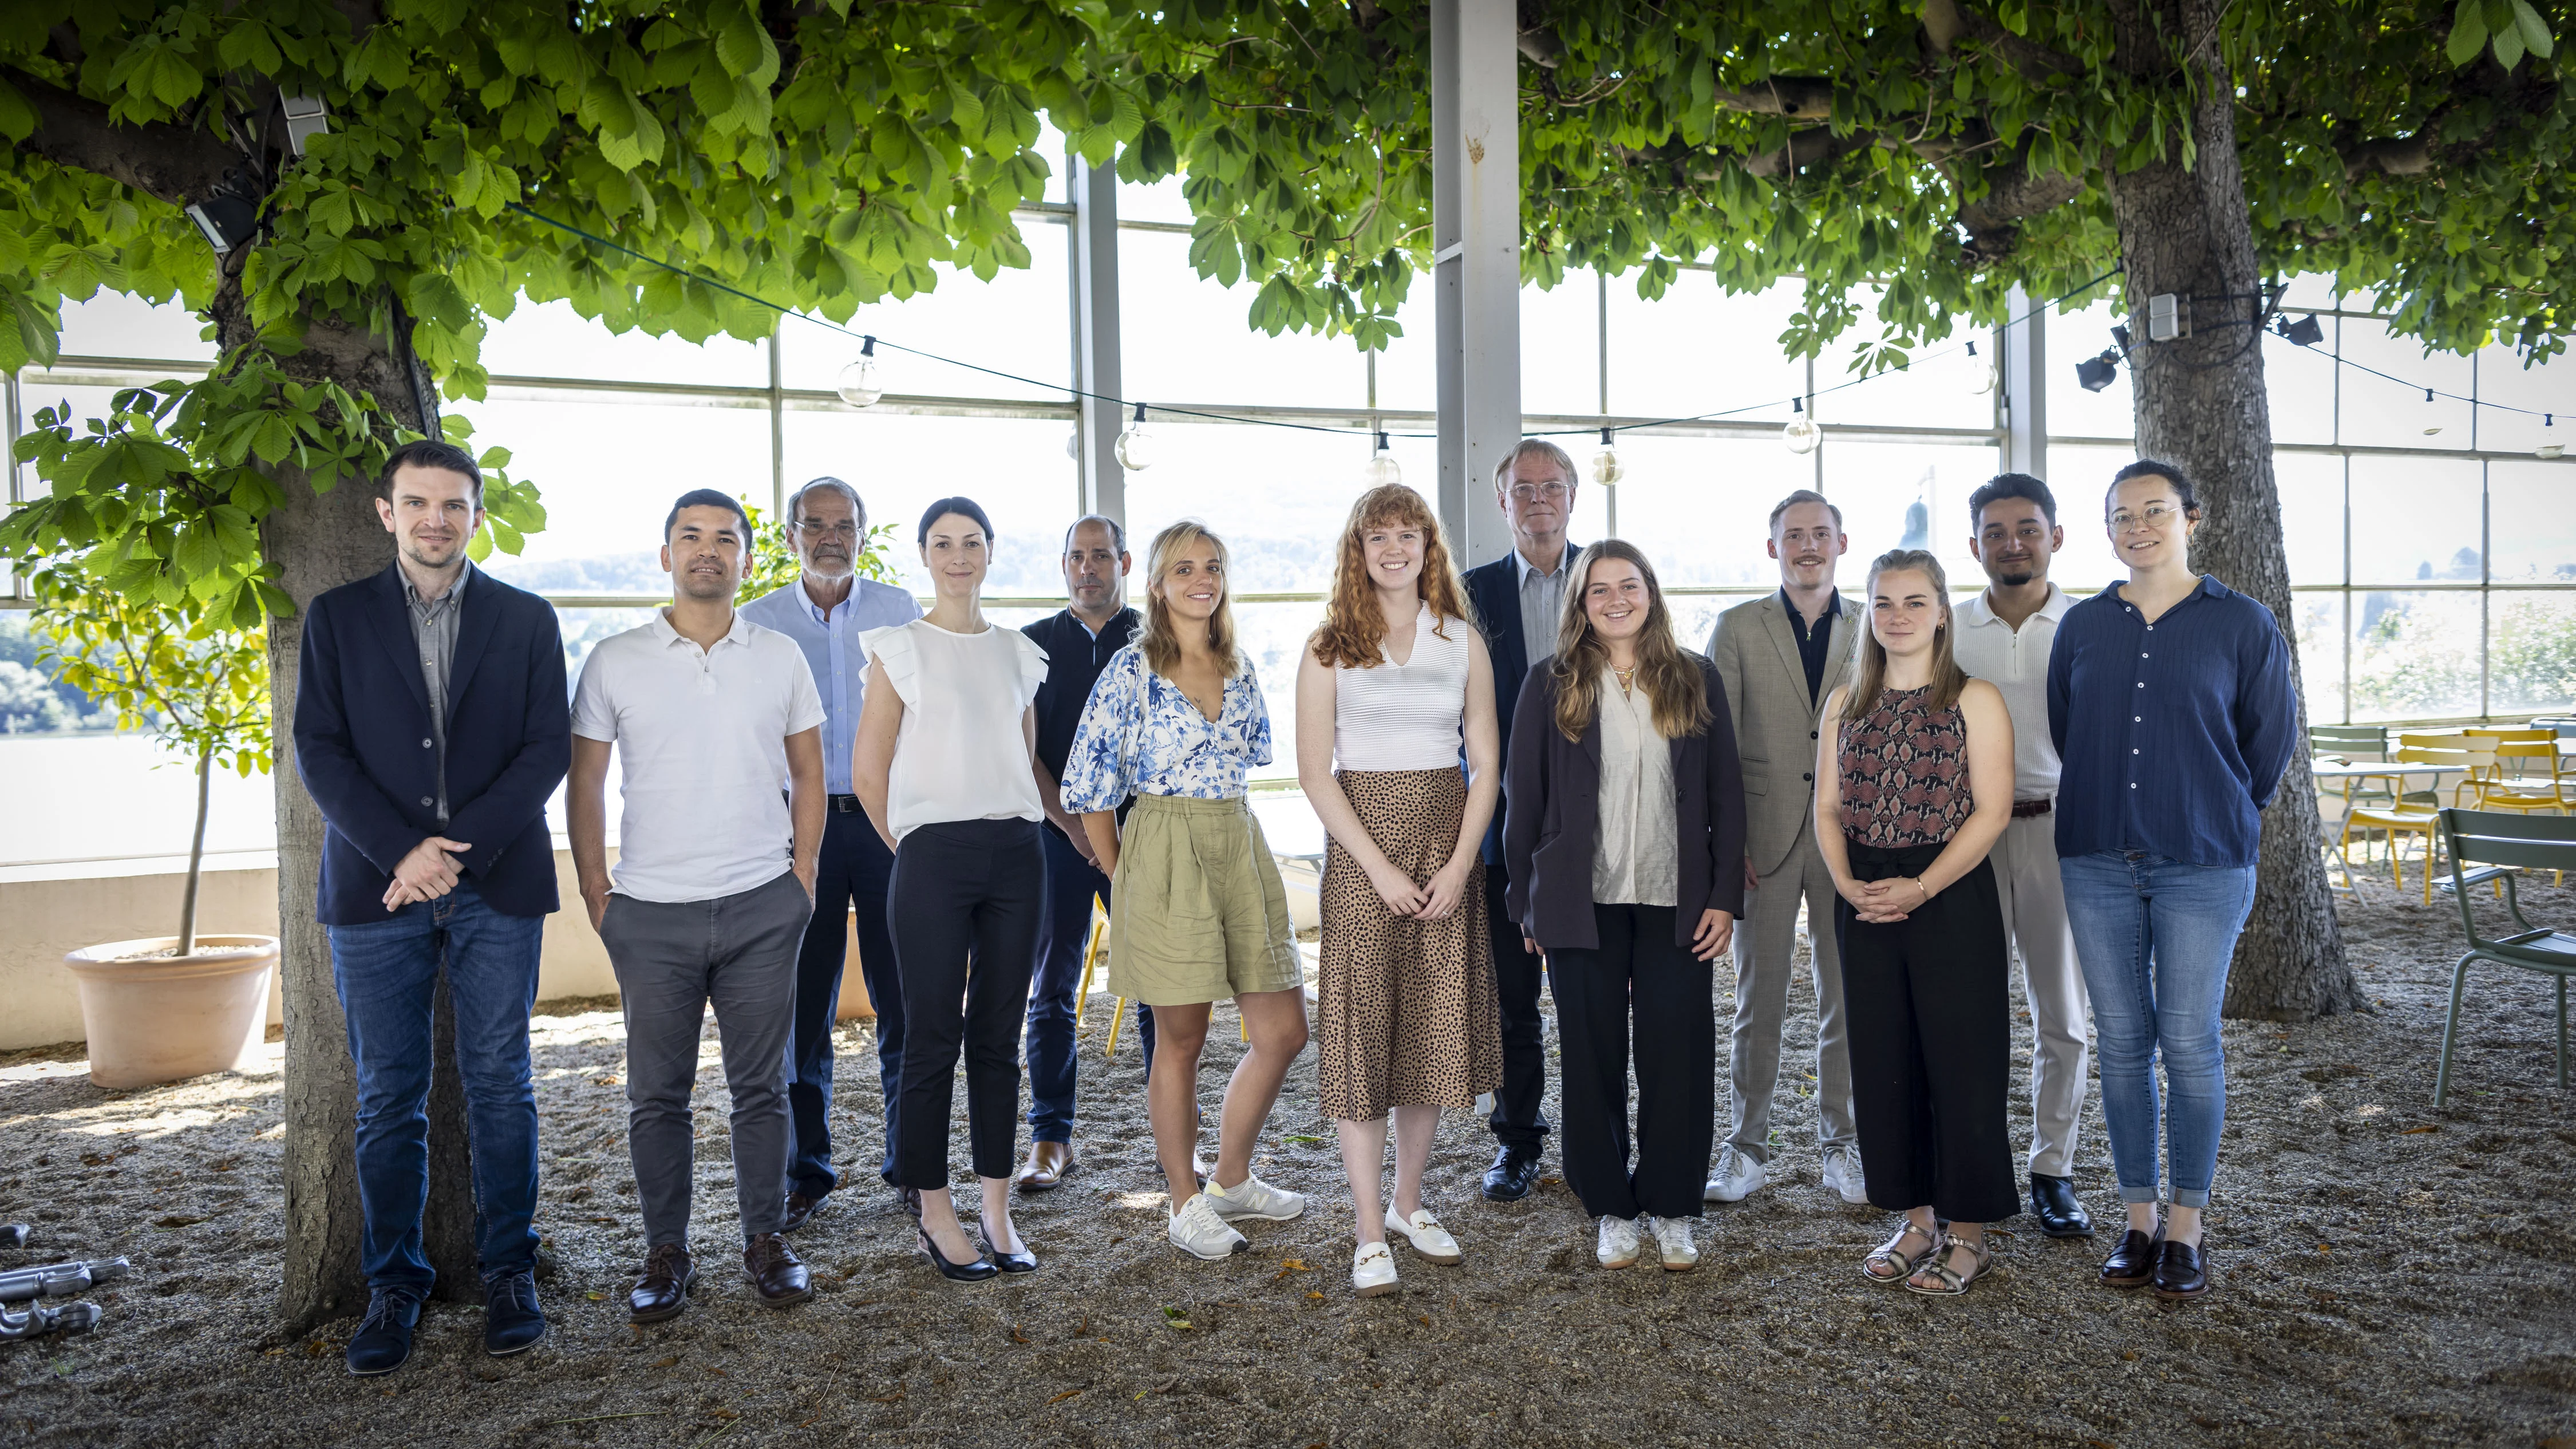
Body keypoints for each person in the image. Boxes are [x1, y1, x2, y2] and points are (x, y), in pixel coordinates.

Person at [293, 440, 570, 1376]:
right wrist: (402, 853)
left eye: (453, 504)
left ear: (476, 515)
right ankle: (394, 1286)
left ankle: (508, 1272)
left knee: (501, 1083)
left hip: (499, 885)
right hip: (376, 889)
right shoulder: (335, 618)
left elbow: (544, 752)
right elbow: (320, 749)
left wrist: (453, 857)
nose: (435, 519)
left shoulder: (528, 619)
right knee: (387, 1097)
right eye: (417, 503)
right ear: (387, 512)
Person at [568, 488, 824, 1323]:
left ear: (749, 557)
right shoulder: (614, 657)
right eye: (691, 536)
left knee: (762, 1087)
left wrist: (804, 877)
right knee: (657, 1094)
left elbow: (811, 773)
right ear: (666, 554)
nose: (707, 550)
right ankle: (666, 1251)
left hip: (761, 902)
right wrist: (597, 890)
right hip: (651, 911)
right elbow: (588, 781)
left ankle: (766, 1238)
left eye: (725, 538)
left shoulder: (780, 654)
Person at [2050, 460, 2298, 1302]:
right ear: (2108, 528)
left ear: (2191, 518)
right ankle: (2137, 1220)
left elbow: (2267, 749)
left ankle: (2188, 1225)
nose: (2139, 526)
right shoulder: (2083, 625)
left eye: (2155, 510)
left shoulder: (2244, 623)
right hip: (2095, 858)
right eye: (2122, 514)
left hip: (2202, 858)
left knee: (2189, 1041)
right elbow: (2067, 726)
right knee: (2121, 1041)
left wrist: (2204, 802)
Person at [1061, 521, 1311, 1260]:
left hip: (1237, 836)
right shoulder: (1130, 670)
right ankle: (1183, 1199)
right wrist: (1123, 874)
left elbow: (1255, 753)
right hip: (1163, 843)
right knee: (1183, 1037)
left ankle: (1231, 1178)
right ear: (1159, 583)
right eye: (1184, 568)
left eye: (1213, 567)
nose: (1201, 579)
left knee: (1284, 1030)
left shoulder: (1239, 665)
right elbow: (1088, 789)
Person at [1503, 541, 1743, 1273]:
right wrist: (1525, 901)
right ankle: (1611, 1205)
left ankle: (1672, 1206)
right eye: (1598, 588)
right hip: (1581, 901)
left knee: (1679, 1051)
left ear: (1650, 592)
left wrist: (1725, 898)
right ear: (1580, 602)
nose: (1615, 598)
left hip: (1679, 899)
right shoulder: (1549, 684)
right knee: (1591, 1051)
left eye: (1628, 585)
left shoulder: (1695, 676)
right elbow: (1524, 799)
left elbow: (1727, 795)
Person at [1295, 483, 1503, 1297]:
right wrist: (1378, 868)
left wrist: (1458, 864)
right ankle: (1366, 1226)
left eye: (1407, 533)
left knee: (1428, 1025)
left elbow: (1485, 761)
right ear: (1358, 547)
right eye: (1378, 534)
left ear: (1428, 545)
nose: (1394, 547)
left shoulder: (1462, 639)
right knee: (1362, 1028)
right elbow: (1316, 772)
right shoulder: (1328, 644)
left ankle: (1411, 1202)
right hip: (1360, 846)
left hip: (1446, 836)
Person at [853, 497, 1052, 1282]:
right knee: (932, 1033)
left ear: (990, 552)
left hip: (1017, 851)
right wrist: (919, 845)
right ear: (925, 555)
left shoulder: (1019, 653)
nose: (958, 554)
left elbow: (1022, 756)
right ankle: (935, 1209)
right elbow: (870, 771)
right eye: (943, 542)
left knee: (999, 1035)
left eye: (972, 542)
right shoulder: (899, 647)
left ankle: (996, 1207)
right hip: (933, 853)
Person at [1814, 548, 2018, 1296]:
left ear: (1941, 610)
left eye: (1914, 601)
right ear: (1868, 613)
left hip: (1949, 890)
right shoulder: (1847, 701)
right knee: (1885, 1061)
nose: (1897, 615)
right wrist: (1846, 883)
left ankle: (1969, 1231)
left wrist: (1923, 886)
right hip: (1864, 893)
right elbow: (1829, 807)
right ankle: (1918, 1217)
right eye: (1883, 602)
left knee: (1961, 1062)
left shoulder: (1976, 698)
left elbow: (1993, 812)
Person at [737, 477, 920, 1231]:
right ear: (789, 536)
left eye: (844, 524)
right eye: (814, 524)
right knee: (802, 1009)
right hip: (797, 833)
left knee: (903, 997)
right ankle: (806, 1168)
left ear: (863, 532)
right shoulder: (758, 622)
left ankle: (912, 1164)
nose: (830, 536)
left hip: (886, 826)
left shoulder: (901, 612)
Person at [1702, 489, 1866, 1206]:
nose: (1808, 546)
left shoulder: (1873, 625)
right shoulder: (1737, 627)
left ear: (1842, 543)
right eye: (1793, 535)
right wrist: (1723, 843)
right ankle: (1746, 1150)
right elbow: (1716, 746)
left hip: (1848, 840)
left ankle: (1844, 1146)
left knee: (1848, 999)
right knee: (1755, 1001)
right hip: (1759, 842)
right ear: (1773, 548)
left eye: (1820, 534)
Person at [1951, 473, 2094, 1239]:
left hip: (2057, 833)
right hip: (1966, 838)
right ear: (1975, 545)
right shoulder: (1945, 626)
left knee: (2063, 1013)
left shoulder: (2091, 623)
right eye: (1997, 531)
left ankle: (2052, 1168)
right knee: (1969, 1011)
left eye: (2028, 528)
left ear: (2055, 537)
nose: (2013, 542)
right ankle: (1975, 1165)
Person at [1017, 515, 1157, 1193]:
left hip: (1144, 836)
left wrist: (1124, 835)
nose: (1089, 568)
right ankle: (1050, 1137)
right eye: (1078, 556)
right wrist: (1074, 827)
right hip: (1056, 837)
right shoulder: (1032, 647)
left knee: (1162, 987)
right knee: (1051, 990)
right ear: (1063, 564)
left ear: (1124, 561)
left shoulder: (1156, 640)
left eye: (1102, 555)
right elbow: (1024, 749)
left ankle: (1172, 1136)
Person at [1459, 439, 1582, 1202]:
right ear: (1501, 503)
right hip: (1502, 824)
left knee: (1589, 994)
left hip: (1595, 827)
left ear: (1573, 496)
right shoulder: (1468, 594)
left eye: (1552, 486)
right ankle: (1517, 1141)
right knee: (1511, 997)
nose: (1538, 499)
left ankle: (1597, 1141)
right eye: (1523, 488)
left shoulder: (1611, 581)